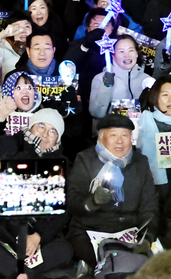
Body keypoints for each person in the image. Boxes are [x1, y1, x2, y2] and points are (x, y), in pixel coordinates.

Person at [0, 110, 76, 279]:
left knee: (65, 250)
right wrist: (16, 238)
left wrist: (37, 236)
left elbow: (62, 212)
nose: (44, 134)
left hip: (36, 237)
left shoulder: (63, 165)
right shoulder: (7, 151)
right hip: (4, 234)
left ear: (58, 139)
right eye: (41, 126)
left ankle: (6, 270)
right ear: (31, 127)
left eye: (52, 131)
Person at [66, 113, 159, 264]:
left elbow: (149, 205)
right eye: (113, 135)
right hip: (92, 228)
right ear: (101, 138)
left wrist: (146, 238)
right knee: (94, 254)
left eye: (125, 135)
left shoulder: (140, 162)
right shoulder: (85, 159)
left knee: (149, 255)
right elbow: (72, 201)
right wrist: (93, 201)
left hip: (129, 228)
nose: (120, 141)